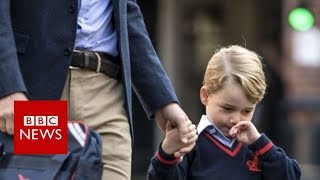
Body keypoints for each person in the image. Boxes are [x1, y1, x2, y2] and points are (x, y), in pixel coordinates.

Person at [0, 0, 196, 179]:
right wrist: (7, 86)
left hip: (106, 95)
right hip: (39, 92)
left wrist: (163, 101)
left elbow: (127, 15)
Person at [147, 45, 301, 180]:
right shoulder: (189, 144)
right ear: (205, 95)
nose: (236, 119)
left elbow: (291, 176)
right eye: (228, 109)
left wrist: (260, 143)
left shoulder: (259, 148)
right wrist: (167, 152)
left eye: (247, 111)